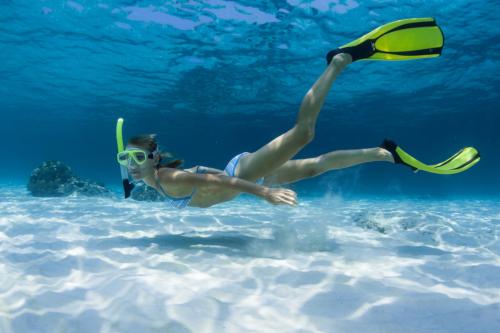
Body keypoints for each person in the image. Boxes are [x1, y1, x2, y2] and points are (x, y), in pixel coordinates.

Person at [119, 53, 395, 209]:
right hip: (240, 175)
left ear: (155, 158)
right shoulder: (151, 179)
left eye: (139, 158)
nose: (132, 165)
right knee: (314, 167)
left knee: (303, 133)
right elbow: (202, 172)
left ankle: (337, 62)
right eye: (126, 159)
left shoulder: (167, 178)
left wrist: (265, 194)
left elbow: (217, 183)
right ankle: (382, 153)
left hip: (240, 175)